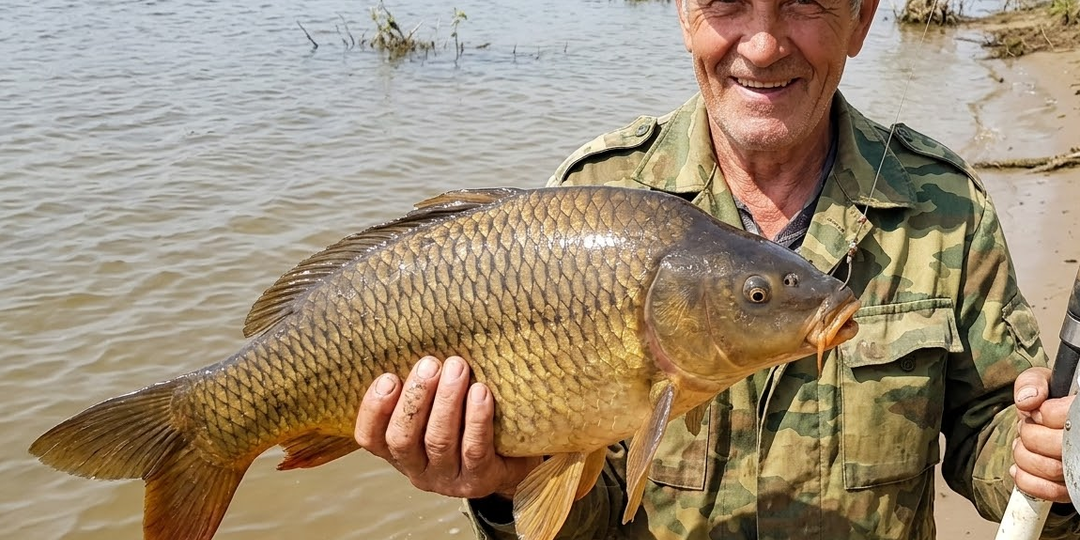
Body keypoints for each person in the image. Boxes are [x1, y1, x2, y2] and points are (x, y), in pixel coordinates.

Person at [352, 0, 1080, 537]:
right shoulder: (591, 195)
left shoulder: (944, 208)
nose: (762, 46)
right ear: (682, 12)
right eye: (727, 2)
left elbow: (992, 434)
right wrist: (499, 486)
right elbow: (583, 515)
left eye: (804, 3)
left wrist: (1055, 458)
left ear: (861, 19)